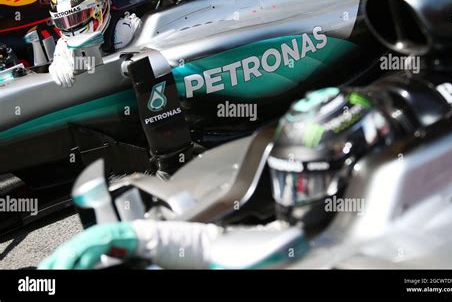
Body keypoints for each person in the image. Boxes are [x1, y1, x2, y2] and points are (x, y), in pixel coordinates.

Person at [39, 88, 392, 270]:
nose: (294, 200)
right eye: (287, 181)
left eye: (307, 183)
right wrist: (131, 236)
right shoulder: (314, 233)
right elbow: (217, 245)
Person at [48, 0, 141, 88]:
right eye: (64, 21)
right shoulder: (63, 45)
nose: (71, 27)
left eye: (78, 17)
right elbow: (89, 76)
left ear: (98, 8)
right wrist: (57, 64)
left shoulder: (124, 30)